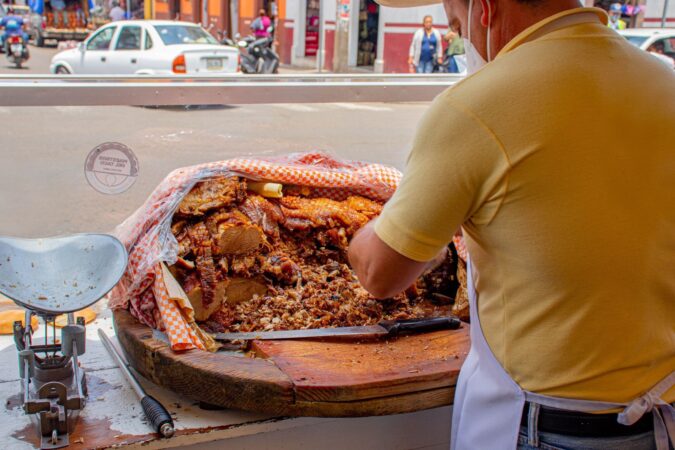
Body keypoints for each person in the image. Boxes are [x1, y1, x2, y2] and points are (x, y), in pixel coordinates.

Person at [349, 0, 675, 448]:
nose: (464, 43)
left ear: (485, 9)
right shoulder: (664, 80)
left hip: (550, 427)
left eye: (459, 27)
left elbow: (380, 273)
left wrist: (363, 229)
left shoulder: (477, 105)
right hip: (662, 420)